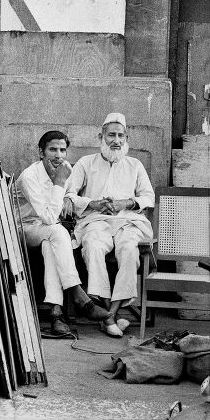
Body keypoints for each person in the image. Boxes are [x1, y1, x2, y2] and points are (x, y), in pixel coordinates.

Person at [65, 113, 155, 337]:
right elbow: (69, 195)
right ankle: (110, 316)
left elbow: (148, 197)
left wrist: (127, 202)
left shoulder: (135, 165)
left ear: (126, 138)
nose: (116, 141)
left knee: (129, 249)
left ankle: (109, 315)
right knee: (93, 247)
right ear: (101, 137)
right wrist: (93, 204)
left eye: (120, 136)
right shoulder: (86, 163)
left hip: (128, 221)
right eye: (111, 135)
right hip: (96, 220)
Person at [15, 130, 110, 334]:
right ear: (41, 153)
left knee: (51, 245)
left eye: (62, 150)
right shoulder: (29, 176)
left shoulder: (64, 170)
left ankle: (56, 313)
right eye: (53, 150)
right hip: (23, 228)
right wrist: (59, 183)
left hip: (47, 231)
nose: (58, 155)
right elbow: (50, 217)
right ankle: (79, 295)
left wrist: (88, 202)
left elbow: (69, 197)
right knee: (57, 232)